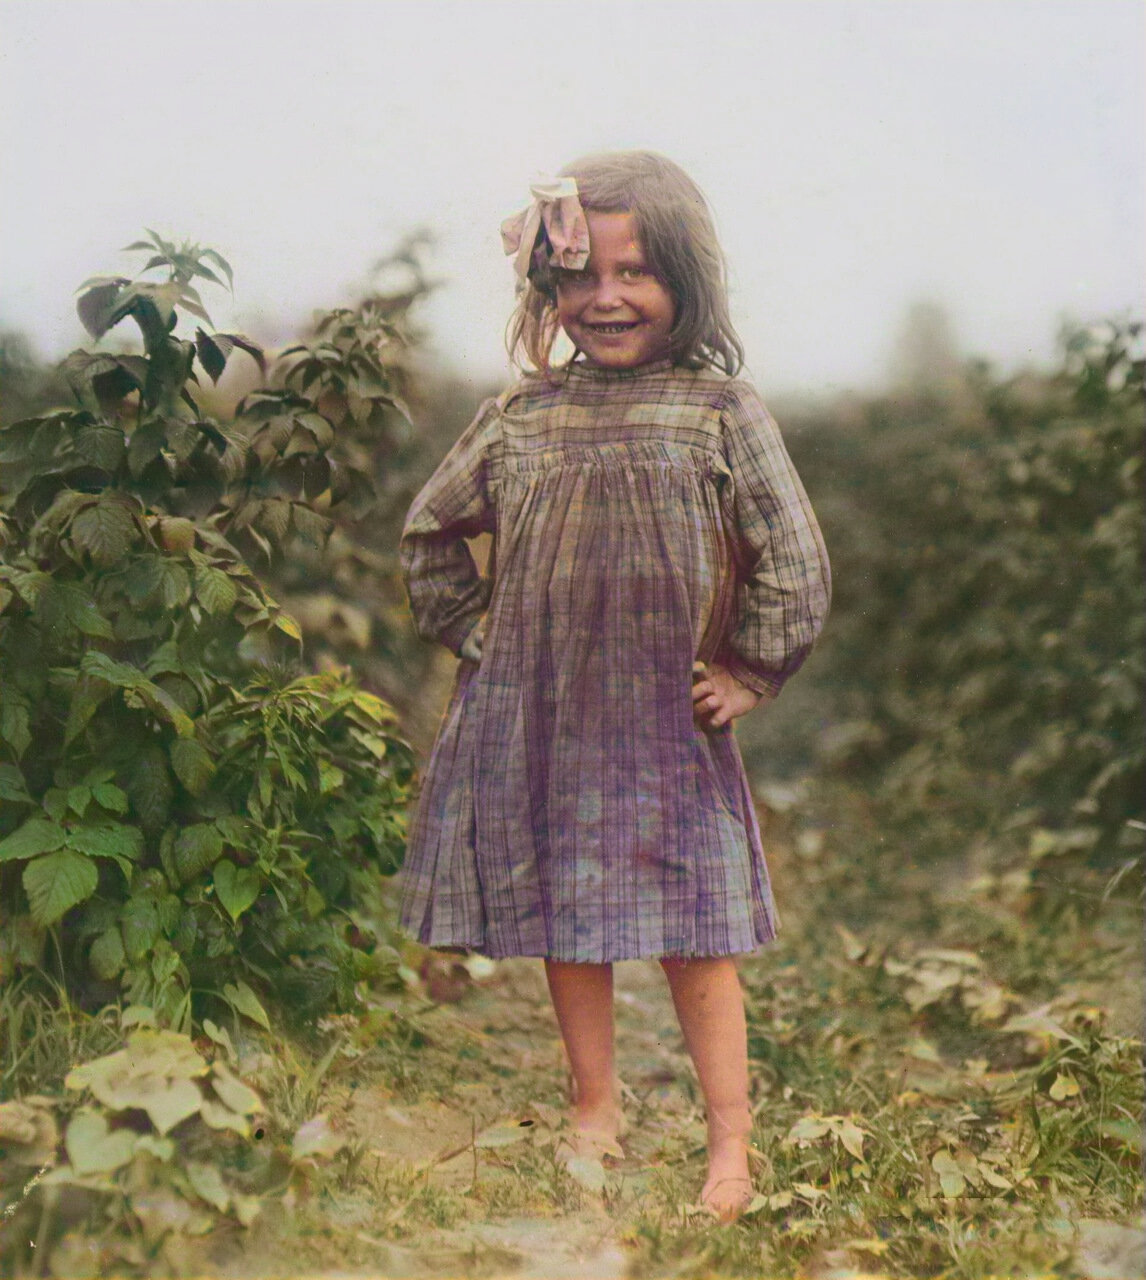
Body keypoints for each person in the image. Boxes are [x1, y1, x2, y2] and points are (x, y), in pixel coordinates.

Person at [398, 151, 830, 1221]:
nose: (607, 298)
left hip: (667, 718)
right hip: (546, 717)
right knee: (567, 915)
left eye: (635, 272)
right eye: (579, 278)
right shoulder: (522, 417)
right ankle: (596, 1107)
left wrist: (748, 668)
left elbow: (796, 558)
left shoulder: (722, 409)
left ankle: (731, 1140)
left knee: (698, 929)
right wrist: (484, 633)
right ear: (547, 292)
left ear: (686, 279)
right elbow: (429, 535)